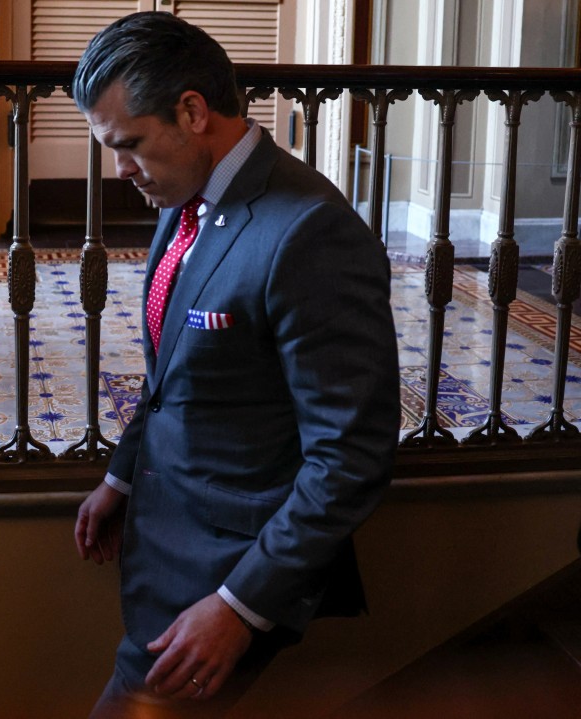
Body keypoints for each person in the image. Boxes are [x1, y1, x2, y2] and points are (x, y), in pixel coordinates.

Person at [71, 12, 401, 718]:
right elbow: (174, 375)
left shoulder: (308, 231)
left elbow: (352, 452)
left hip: (226, 573)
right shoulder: (187, 195)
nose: (120, 169)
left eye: (128, 145)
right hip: (163, 542)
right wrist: (122, 475)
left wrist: (239, 605)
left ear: (192, 111)